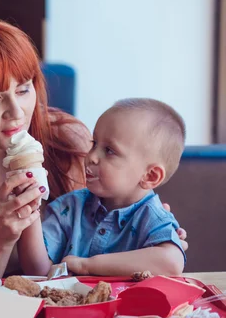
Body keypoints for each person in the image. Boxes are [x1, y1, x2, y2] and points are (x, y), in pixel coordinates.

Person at [0, 18, 188, 277]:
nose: (16, 112)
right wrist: (7, 232)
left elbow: (103, 225)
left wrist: (153, 241)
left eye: (24, 90)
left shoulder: (66, 140)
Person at [19, 98, 186, 276]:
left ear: (150, 176)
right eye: (94, 143)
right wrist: (31, 209)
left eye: (109, 151)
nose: (91, 156)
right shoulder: (69, 207)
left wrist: (88, 266)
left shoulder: (153, 217)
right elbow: (37, 271)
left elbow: (172, 262)